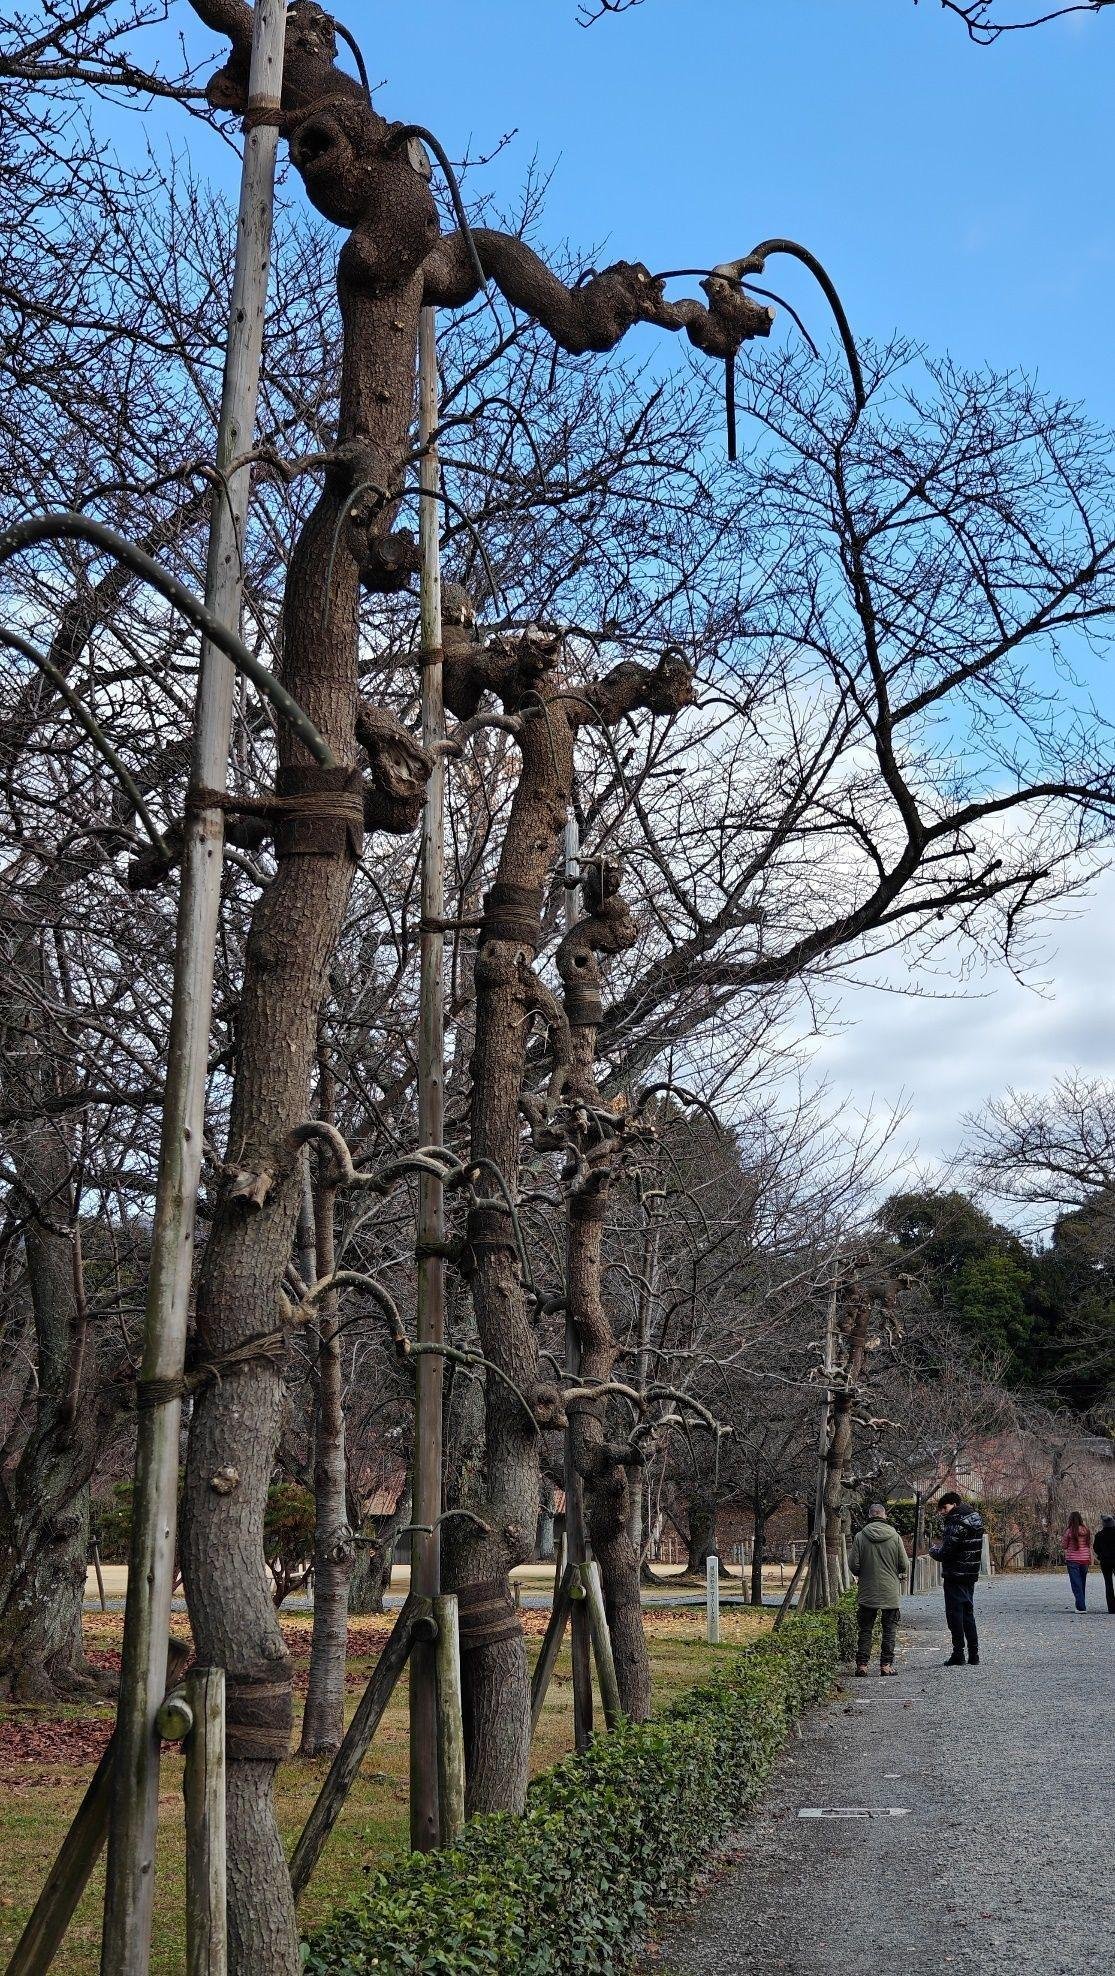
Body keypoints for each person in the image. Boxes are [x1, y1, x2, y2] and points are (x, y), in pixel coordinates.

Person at [847, 1501, 909, 1678]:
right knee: (889, 1629)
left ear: (870, 1516)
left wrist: (863, 1573)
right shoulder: (895, 1536)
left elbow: (853, 1564)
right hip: (890, 1590)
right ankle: (886, 1665)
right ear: (884, 1516)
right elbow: (904, 1564)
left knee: (865, 1628)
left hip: (867, 1590)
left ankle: (862, 1665)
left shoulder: (860, 1536)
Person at [930, 1491, 984, 1667]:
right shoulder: (975, 1519)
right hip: (970, 1574)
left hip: (955, 1574)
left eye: (944, 1508)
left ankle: (958, 1653)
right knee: (968, 1613)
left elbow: (946, 1552)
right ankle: (974, 1654)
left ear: (954, 1504)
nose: (942, 1512)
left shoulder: (956, 1522)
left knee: (955, 1615)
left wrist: (933, 1551)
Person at [1062, 1511, 1092, 1611]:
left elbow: (1064, 1546)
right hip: (1085, 1559)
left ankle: (1081, 1607)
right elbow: (1088, 1544)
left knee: (1076, 1584)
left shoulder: (1069, 1531)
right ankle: (1080, 1604)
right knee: (1082, 1583)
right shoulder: (1086, 1530)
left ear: (1070, 1520)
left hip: (1073, 1560)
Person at [1094, 1515, 1115, 1615]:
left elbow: (1096, 1548)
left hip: (1105, 1561)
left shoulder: (1099, 1535)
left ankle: (1111, 1608)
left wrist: (1101, 1555)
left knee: (1108, 1583)